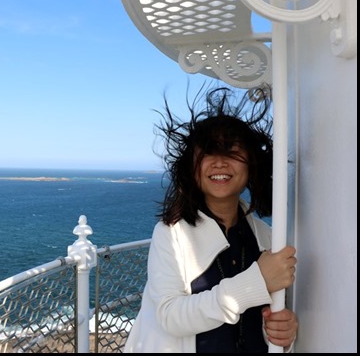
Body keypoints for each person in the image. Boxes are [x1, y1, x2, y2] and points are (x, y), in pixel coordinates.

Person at [124, 83, 298, 353]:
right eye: (207, 153)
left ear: (251, 165)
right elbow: (170, 316)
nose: (219, 162)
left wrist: (280, 331)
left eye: (231, 152)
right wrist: (257, 281)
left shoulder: (264, 236)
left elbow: (263, 321)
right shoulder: (171, 233)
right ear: (191, 168)